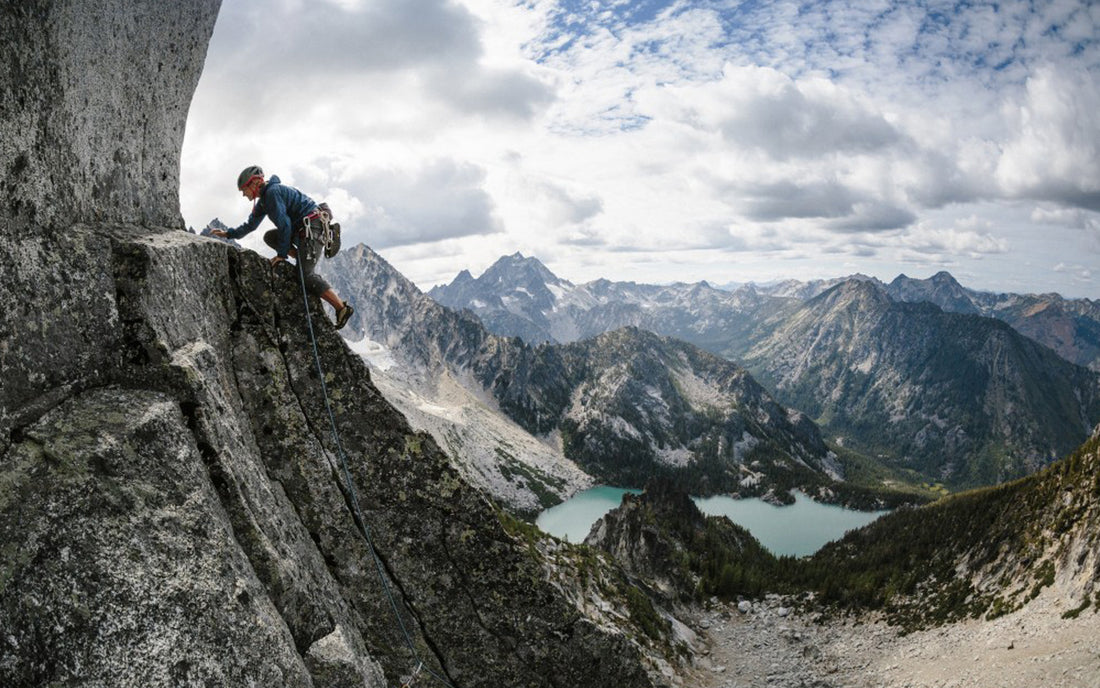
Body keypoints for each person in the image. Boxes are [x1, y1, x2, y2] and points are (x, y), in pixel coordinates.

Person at [213, 166, 354, 329]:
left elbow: (284, 224)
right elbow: (250, 225)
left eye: (244, 190)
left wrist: (281, 254)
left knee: (304, 275)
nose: (244, 195)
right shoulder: (264, 200)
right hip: (303, 229)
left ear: (255, 183)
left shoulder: (272, 193)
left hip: (312, 229)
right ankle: (303, 257)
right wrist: (228, 234)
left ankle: (342, 308)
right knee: (270, 237)